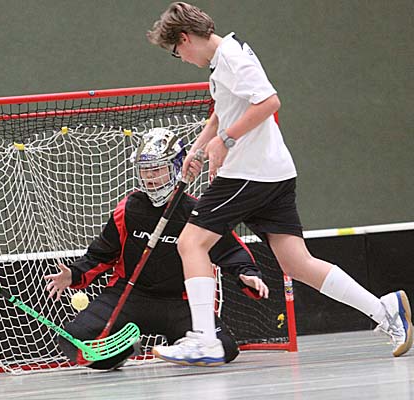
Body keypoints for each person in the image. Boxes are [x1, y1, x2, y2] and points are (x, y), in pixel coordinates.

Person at [146, 2, 412, 366]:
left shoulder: (233, 58)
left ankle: (205, 339)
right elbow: (223, 111)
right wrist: (199, 148)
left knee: (191, 242)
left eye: (177, 52)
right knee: (297, 263)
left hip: (249, 173)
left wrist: (225, 141)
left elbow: (269, 102)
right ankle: (385, 310)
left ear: (185, 38)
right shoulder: (222, 61)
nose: (182, 59)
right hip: (274, 174)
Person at [45, 127, 269, 370]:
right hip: (128, 295)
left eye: (157, 169)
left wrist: (247, 273)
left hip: (179, 302)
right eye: (145, 170)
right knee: (74, 341)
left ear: (176, 168)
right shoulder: (128, 209)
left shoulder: (196, 212)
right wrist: (74, 274)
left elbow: (230, 251)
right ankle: (124, 350)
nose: (150, 177)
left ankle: (182, 345)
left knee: (225, 347)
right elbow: (102, 254)